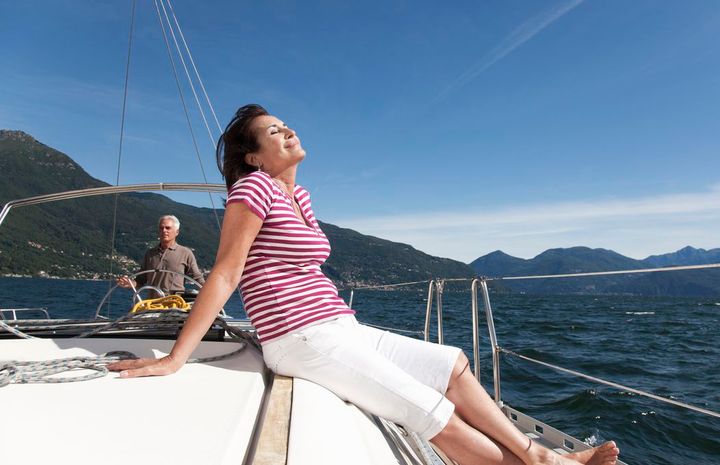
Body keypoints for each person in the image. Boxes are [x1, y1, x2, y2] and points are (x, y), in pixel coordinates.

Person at [108, 104, 620, 465]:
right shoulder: (253, 187)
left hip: (339, 325)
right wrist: (176, 358)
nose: (288, 132)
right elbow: (225, 272)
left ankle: (537, 454)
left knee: (455, 364)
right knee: (434, 412)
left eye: (286, 125)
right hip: (299, 337)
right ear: (254, 157)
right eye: (273, 132)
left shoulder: (301, 198)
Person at [117, 215, 206, 297]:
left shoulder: (185, 253)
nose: (164, 231)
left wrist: (211, 295)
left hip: (175, 305)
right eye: (161, 228)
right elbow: (141, 280)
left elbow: (197, 278)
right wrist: (130, 283)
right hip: (152, 304)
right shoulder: (150, 254)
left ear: (177, 232)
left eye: (168, 228)